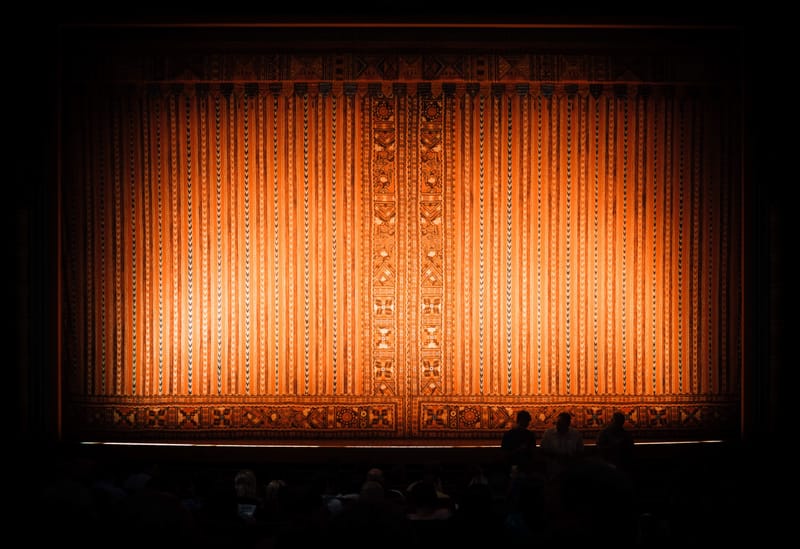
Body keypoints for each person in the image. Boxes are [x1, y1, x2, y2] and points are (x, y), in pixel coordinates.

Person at [539, 411, 584, 479]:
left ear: (568, 424)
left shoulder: (575, 434)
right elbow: (543, 450)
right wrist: (556, 456)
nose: (558, 425)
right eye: (558, 423)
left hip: (571, 469)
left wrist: (571, 458)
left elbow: (580, 451)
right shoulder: (548, 434)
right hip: (553, 469)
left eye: (562, 424)